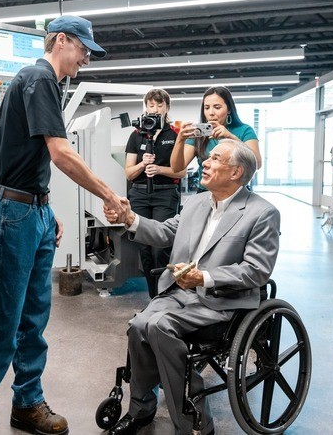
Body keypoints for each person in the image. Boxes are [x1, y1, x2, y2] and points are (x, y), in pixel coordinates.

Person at [0, 15, 127, 435]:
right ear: (61, 41)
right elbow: (60, 154)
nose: (86, 57)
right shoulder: (38, 78)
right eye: (83, 48)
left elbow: (31, 161)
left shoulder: (45, 84)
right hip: (13, 214)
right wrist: (108, 194)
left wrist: (46, 210)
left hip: (31, 210)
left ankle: (27, 403)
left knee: (34, 319)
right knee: (3, 323)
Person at [104, 139, 280, 435]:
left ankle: (194, 420)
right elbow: (165, 232)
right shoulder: (197, 201)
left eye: (214, 158)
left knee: (158, 326)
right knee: (138, 326)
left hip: (222, 301)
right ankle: (141, 409)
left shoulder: (261, 213)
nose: (205, 163)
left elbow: (256, 271)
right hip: (178, 292)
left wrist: (204, 278)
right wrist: (130, 219)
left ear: (236, 172)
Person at [125, 88, 186, 297]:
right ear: (146, 107)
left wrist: (159, 169)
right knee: (144, 250)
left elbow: (182, 170)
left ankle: (165, 296)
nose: (156, 109)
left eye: (160, 105)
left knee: (161, 248)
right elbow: (129, 173)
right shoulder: (136, 135)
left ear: (167, 107)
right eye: (151, 105)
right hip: (140, 195)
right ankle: (154, 298)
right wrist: (143, 164)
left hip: (165, 194)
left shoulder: (175, 134)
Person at [170, 86, 262, 192]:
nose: (211, 112)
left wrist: (231, 137)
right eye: (207, 107)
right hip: (206, 193)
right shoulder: (199, 133)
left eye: (217, 107)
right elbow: (176, 168)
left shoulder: (244, 130)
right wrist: (180, 140)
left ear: (229, 109)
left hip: (236, 194)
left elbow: (257, 164)